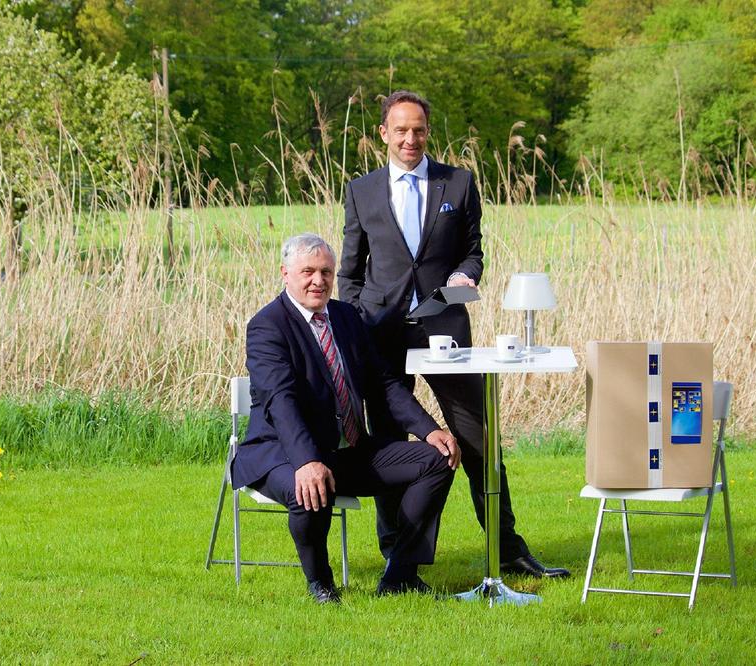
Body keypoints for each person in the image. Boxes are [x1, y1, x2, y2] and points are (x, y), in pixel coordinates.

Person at [337, 90, 569, 579]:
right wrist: (357, 324)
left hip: (445, 331)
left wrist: (467, 274)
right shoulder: (361, 191)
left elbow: (473, 251)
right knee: (389, 442)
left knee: (479, 439)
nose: (410, 139)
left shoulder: (459, 183)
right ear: (383, 133)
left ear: (428, 132)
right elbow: (350, 272)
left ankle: (507, 549)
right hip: (381, 337)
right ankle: (397, 554)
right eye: (401, 130)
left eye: (419, 130)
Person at [231, 233, 458, 604]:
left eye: (326, 272)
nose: (318, 280)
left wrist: (429, 430)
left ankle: (400, 574)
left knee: (439, 458)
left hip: (347, 450)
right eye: (308, 271)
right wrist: (307, 461)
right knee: (309, 487)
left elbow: (383, 384)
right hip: (281, 453)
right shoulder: (267, 326)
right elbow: (280, 401)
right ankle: (321, 584)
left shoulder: (347, 317)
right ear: (285, 273)